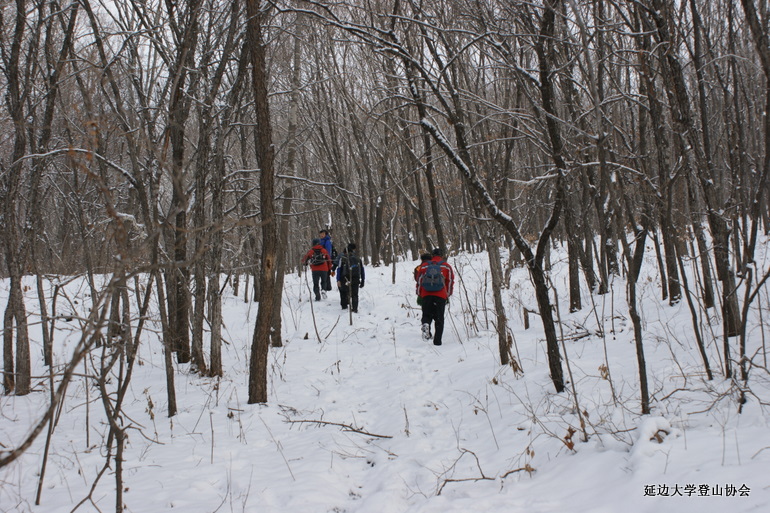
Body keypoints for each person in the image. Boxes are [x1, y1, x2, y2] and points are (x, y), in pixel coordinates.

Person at [416, 248, 454, 345]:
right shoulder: (446, 266)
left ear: (432, 255)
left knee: (426, 315)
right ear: (442, 256)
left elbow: (419, 280)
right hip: (440, 295)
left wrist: (420, 293)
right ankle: (437, 342)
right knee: (439, 319)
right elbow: (450, 281)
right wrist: (447, 294)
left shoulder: (425, 266)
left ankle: (426, 324)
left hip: (426, 294)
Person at [336, 243, 365, 312]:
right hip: (356, 278)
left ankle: (344, 306)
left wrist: (338, 280)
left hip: (345, 278)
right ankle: (355, 308)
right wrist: (363, 280)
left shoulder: (343, 259)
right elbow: (362, 270)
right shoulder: (358, 258)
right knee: (355, 294)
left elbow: (339, 269)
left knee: (343, 292)